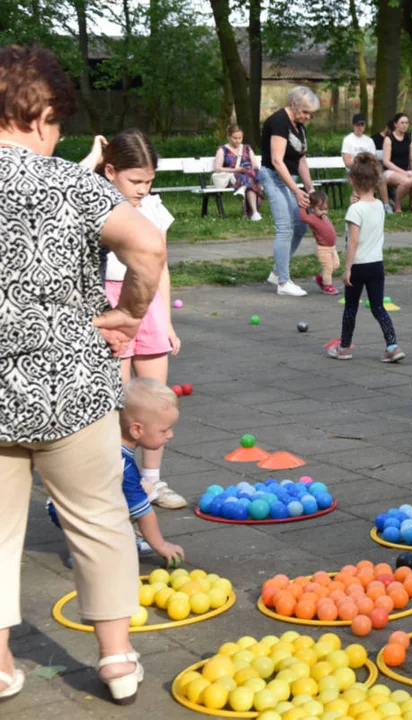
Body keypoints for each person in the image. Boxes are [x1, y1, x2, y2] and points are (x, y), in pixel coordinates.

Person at [0, 44, 166, 704]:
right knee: (98, 519)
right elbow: (148, 243)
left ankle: (1, 666)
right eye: (59, 121)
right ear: (40, 114)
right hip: (73, 386)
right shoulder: (73, 183)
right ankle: (117, 661)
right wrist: (128, 314)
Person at [81, 130, 187, 509]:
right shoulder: (91, 205)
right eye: (136, 181)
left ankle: (153, 481)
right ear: (110, 171)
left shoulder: (153, 210)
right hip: (111, 301)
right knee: (121, 403)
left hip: (149, 305)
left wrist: (168, 322)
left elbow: (159, 266)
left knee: (157, 399)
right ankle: (119, 484)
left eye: (149, 181)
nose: (143, 189)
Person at [48, 379, 186, 566]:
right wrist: (161, 545)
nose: (171, 435)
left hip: (62, 502)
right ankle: (86, 553)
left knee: (143, 488)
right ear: (137, 430)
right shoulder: (122, 465)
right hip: (73, 511)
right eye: (165, 430)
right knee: (137, 498)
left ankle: (99, 540)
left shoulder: (105, 437)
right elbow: (145, 513)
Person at [328, 153, 406, 363]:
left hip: (359, 265)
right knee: (378, 307)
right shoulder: (380, 206)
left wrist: (347, 269)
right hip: (376, 265)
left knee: (351, 308)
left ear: (352, 180)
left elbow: (353, 241)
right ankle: (392, 345)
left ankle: (344, 347)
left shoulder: (355, 209)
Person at [260, 86, 320, 297]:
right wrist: (295, 190)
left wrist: (310, 189)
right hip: (273, 177)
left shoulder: (299, 126)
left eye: (310, 113)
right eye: (304, 112)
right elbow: (277, 160)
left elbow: (301, 159)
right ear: (294, 104)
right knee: (285, 228)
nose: (307, 117)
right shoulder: (278, 122)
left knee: (300, 225)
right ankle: (283, 283)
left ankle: (277, 272)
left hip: (289, 179)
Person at [341, 113, 392, 213]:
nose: (360, 127)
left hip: (369, 168)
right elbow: (347, 162)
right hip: (355, 170)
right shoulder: (348, 140)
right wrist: (360, 163)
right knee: (361, 177)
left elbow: (374, 159)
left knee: (381, 178)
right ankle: (358, 204)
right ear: (353, 126)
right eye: (358, 125)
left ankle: (386, 205)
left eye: (362, 125)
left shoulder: (369, 141)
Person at [213, 124, 262, 221]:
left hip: (248, 175)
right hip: (232, 177)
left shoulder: (247, 148)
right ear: (228, 136)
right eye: (235, 138)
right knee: (250, 180)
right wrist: (236, 170)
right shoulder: (223, 150)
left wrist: (248, 169)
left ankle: (245, 195)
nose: (238, 141)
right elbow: (218, 168)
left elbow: (255, 166)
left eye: (240, 138)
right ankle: (254, 213)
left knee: (249, 178)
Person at [299, 190, 340, 295]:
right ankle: (327, 286)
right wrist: (303, 206)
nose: (324, 212)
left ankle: (320, 278)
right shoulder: (312, 217)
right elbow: (303, 217)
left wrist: (322, 213)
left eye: (326, 209)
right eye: (321, 209)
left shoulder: (322, 216)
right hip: (323, 249)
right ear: (312, 208)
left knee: (336, 265)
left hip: (332, 247)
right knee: (328, 268)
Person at [381, 113, 412, 213]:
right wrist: (403, 173)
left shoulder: (410, 137)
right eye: (402, 122)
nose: (405, 125)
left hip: (406, 170)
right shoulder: (388, 139)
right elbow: (386, 162)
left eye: (406, 123)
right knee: (406, 182)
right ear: (396, 124)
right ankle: (397, 206)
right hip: (389, 171)